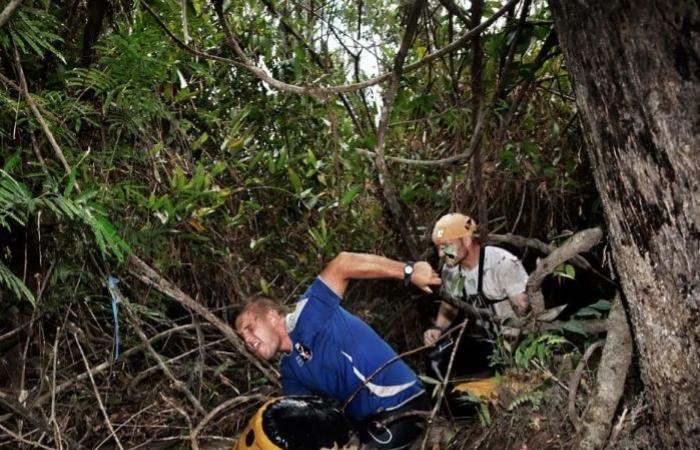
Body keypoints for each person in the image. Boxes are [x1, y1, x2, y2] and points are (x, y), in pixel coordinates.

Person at [236, 252, 442, 450]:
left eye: (250, 328)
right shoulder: (289, 371)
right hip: (365, 424)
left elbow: (343, 264)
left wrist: (408, 270)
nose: (248, 341)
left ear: (272, 316)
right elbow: (310, 419)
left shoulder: (307, 316)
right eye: (242, 338)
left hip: (402, 403)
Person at [423, 213, 530, 346]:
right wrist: (438, 328)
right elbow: (451, 305)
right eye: (438, 248)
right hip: (483, 341)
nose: (441, 254)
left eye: (447, 246)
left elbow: (524, 310)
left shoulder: (501, 263)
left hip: (515, 343)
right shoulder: (451, 270)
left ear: (467, 240)